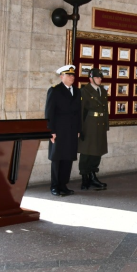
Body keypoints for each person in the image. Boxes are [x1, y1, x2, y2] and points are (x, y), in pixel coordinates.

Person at [45, 65, 82, 197]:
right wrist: (51, 131)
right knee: (57, 158)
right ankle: (55, 186)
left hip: (72, 130)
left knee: (68, 158)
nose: (72, 77)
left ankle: (63, 185)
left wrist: (78, 129)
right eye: (69, 75)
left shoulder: (77, 91)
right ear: (62, 77)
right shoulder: (55, 90)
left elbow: (79, 113)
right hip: (59, 130)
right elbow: (49, 112)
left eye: (73, 75)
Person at [79, 68, 110, 190]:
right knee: (86, 151)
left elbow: (105, 110)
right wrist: (80, 128)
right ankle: (85, 177)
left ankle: (93, 174)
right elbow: (81, 111)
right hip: (89, 125)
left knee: (97, 151)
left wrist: (106, 125)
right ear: (91, 78)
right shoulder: (85, 91)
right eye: (97, 77)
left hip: (100, 125)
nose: (100, 79)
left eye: (100, 77)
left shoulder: (102, 90)